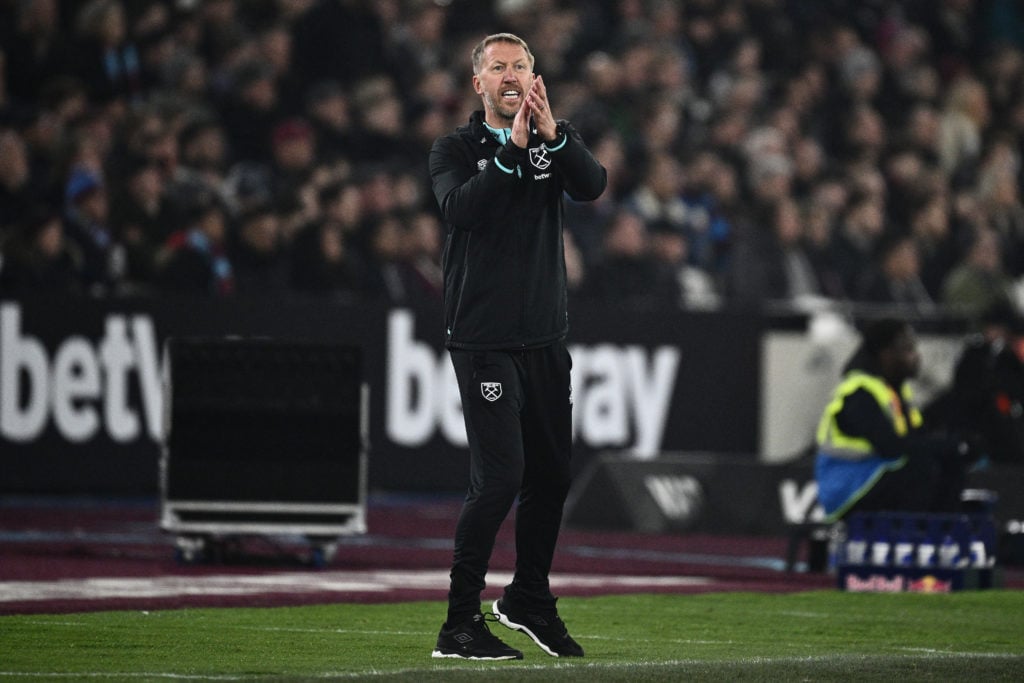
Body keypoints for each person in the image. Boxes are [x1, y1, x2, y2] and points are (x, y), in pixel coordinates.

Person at [428, 32, 606, 661]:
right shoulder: (457, 148)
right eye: (498, 67)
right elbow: (462, 211)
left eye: (521, 65)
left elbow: (592, 185)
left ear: (535, 76)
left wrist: (553, 138)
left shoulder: (557, 139)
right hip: (483, 341)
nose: (511, 75)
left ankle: (529, 596)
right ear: (478, 83)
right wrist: (514, 151)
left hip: (544, 340)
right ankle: (458, 623)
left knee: (552, 475)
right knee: (501, 477)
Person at [814, 318, 977, 521]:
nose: (916, 356)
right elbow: (891, 447)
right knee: (921, 467)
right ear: (886, 354)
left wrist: (956, 446)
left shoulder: (896, 392)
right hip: (847, 487)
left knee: (949, 462)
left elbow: (920, 437)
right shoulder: (859, 392)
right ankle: (910, 536)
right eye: (907, 349)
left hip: (874, 477)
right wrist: (947, 446)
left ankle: (941, 534)